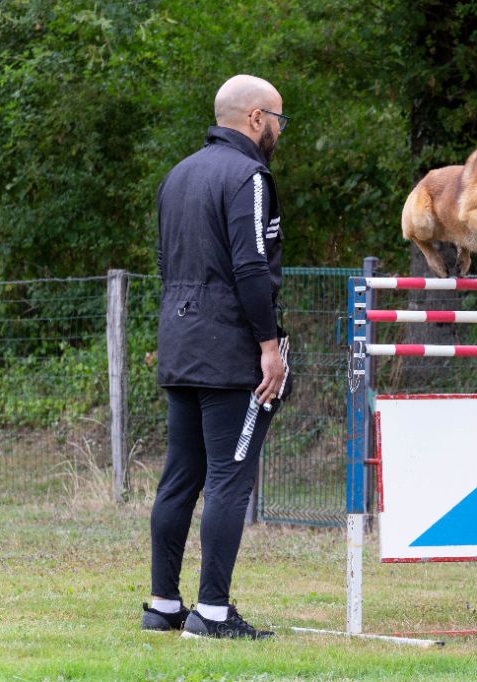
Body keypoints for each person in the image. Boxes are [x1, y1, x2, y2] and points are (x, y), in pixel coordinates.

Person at [141, 75, 289, 639]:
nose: (279, 129)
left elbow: (166, 261)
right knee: (230, 478)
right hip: (230, 350)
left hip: (180, 343)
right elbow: (252, 268)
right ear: (255, 118)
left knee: (180, 476)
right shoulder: (249, 177)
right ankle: (213, 614)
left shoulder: (177, 175)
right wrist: (269, 345)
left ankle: (163, 604)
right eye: (278, 118)